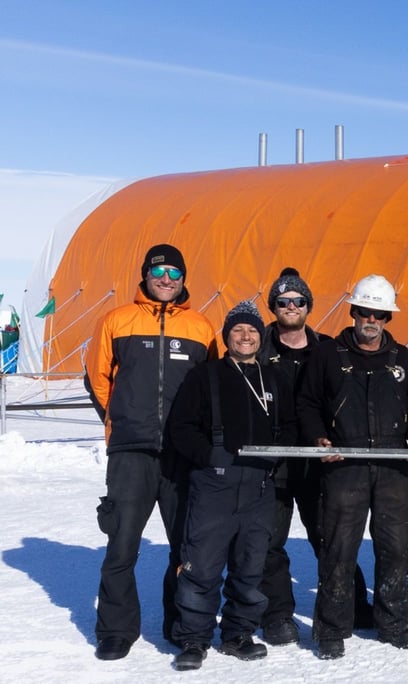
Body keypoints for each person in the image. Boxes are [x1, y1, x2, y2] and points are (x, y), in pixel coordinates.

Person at [84, 244, 218, 661]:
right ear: (144, 275)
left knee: (185, 545)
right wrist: (122, 417)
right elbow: (98, 378)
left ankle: (180, 625)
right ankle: (116, 629)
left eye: (174, 273)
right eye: (159, 271)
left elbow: (210, 388)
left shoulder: (201, 327)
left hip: (181, 454)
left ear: (183, 279)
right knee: (122, 544)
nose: (166, 279)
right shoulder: (117, 320)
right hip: (131, 451)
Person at [296, 274, 408, 659]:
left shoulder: (403, 358)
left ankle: (395, 622)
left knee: (395, 548)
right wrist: (319, 437)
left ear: (388, 318)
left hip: (394, 466)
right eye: (365, 312)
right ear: (353, 312)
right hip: (345, 463)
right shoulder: (327, 355)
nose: (371, 320)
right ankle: (332, 628)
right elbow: (306, 403)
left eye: (380, 314)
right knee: (339, 548)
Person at [167, 301, 297, 670]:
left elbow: (289, 425)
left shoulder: (273, 379)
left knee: (250, 566)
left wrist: (276, 456)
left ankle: (239, 633)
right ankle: (193, 638)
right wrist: (208, 456)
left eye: (252, 331)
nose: (245, 336)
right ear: (227, 337)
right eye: (238, 330)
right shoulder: (205, 377)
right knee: (201, 566)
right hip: (215, 485)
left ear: (261, 336)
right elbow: (181, 428)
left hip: (259, 485)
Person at [256, 268, 373, 646]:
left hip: (318, 461)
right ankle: (277, 615)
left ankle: (351, 603)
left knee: (331, 537)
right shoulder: (257, 350)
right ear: (273, 307)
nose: (291, 306)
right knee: (269, 542)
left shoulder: (326, 350)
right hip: (271, 464)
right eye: (283, 301)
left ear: (309, 306)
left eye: (298, 301)